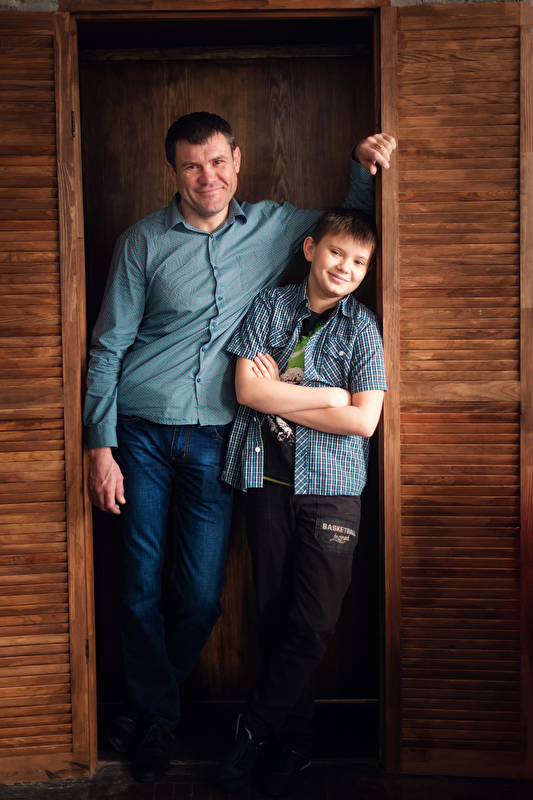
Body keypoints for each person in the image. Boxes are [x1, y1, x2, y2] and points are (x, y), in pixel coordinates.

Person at [84, 111, 395, 783]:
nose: (208, 177)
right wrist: (99, 445)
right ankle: (156, 718)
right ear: (173, 172)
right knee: (138, 584)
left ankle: (151, 706)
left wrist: (361, 163)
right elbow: (108, 346)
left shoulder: (279, 229)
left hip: (215, 439)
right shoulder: (141, 242)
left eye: (218, 162)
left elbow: (346, 230)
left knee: (199, 596)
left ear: (238, 161)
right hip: (139, 430)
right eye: (192, 166)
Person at [217, 208, 386, 795]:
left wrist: (282, 391)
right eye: (337, 252)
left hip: (333, 492)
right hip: (267, 483)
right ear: (312, 249)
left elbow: (363, 422)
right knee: (273, 615)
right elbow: (245, 389)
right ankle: (295, 740)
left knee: (313, 622)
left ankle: (253, 728)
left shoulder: (362, 328)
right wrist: (329, 396)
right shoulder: (269, 307)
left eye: (359, 261)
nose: (346, 267)